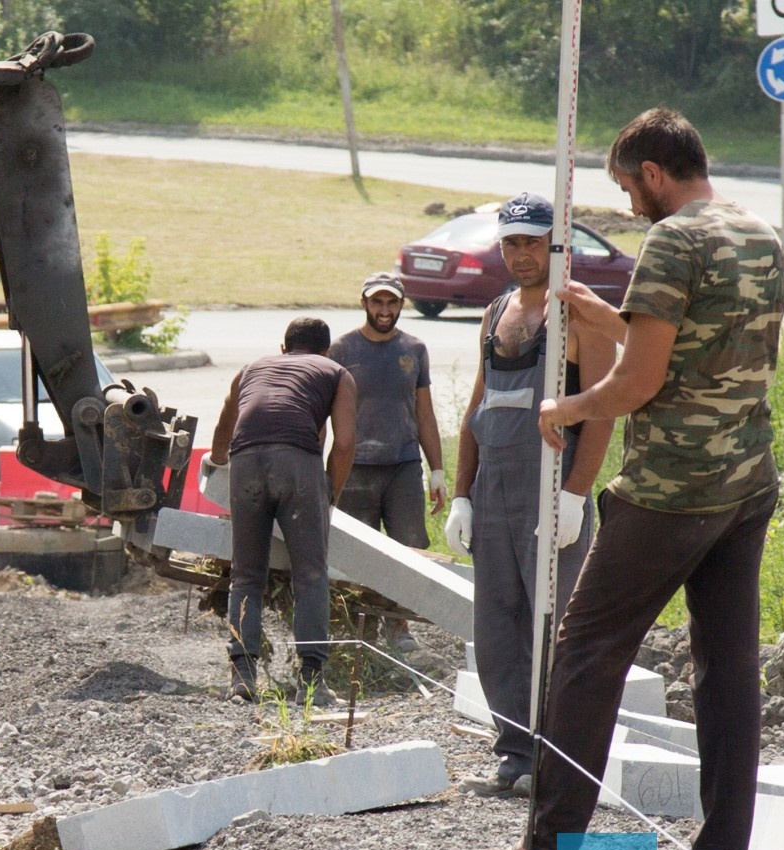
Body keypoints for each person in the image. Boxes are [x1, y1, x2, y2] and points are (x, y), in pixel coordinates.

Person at [489, 109, 784, 850]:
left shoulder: (672, 240)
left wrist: (568, 408)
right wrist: (610, 320)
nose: (628, 205)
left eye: (627, 187)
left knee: (587, 650)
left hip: (668, 490)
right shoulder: (760, 233)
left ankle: (555, 845)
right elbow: (711, 358)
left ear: (654, 173)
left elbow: (642, 383)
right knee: (726, 667)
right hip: (745, 481)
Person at [445, 193, 617, 798]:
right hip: (494, 490)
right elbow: (478, 406)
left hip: (551, 490)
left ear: (556, 243)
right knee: (497, 628)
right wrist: (460, 494)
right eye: (511, 242)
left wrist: (576, 493)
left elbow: (600, 412)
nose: (521, 253)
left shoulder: (578, 314)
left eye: (532, 242)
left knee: (556, 627)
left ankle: (560, 755)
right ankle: (516, 751)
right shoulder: (496, 311)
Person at [206, 317, 357, 707]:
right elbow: (344, 445)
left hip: (246, 463)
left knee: (246, 575)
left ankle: (242, 679)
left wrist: (219, 466)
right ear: (325, 351)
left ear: (283, 347)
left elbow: (226, 419)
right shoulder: (336, 372)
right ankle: (311, 682)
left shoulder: (252, 368)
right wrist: (329, 494)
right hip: (297, 465)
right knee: (309, 574)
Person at [328, 271, 447, 653]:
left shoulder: (414, 349)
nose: (384, 309)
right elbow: (323, 412)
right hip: (355, 466)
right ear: (364, 303)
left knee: (408, 547)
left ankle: (398, 625)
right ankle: (360, 630)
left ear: (401, 304)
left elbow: (425, 414)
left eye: (391, 302)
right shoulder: (342, 350)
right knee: (357, 553)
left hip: (403, 465)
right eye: (377, 302)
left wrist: (438, 472)